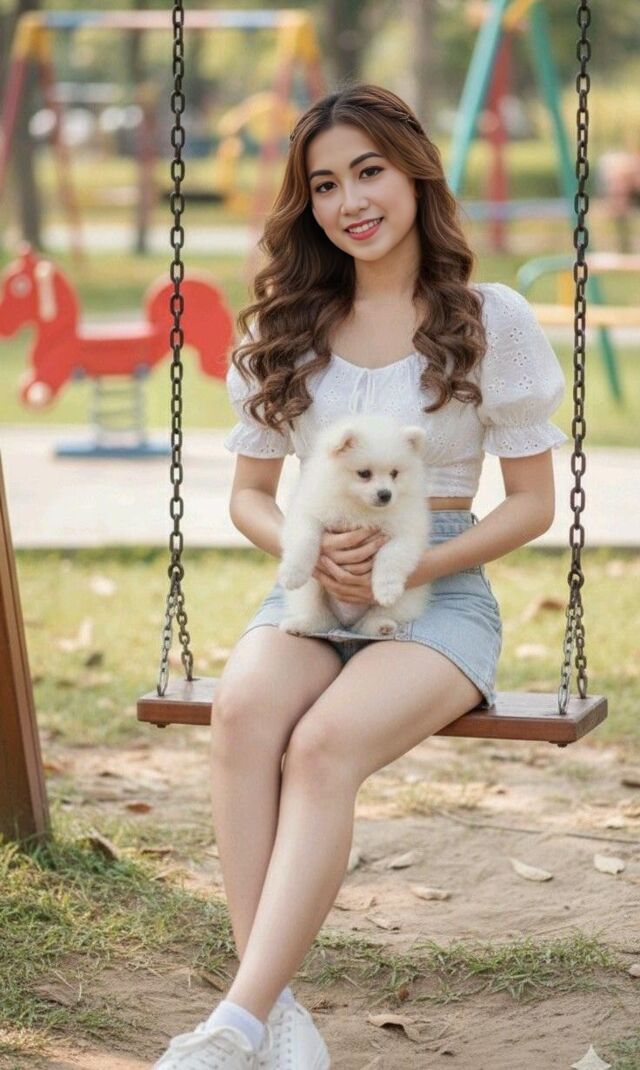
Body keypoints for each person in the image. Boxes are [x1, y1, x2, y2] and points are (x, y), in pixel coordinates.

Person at [153, 83, 566, 1070]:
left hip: (438, 591)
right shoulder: (290, 324)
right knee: (242, 714)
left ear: (414, 172)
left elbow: (531, 505)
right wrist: (307, 548)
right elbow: (251, 496)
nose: (350, 201)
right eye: (326, 185)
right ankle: (270, 1012)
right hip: (309, 581)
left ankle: (233, 1024)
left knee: (323, 745)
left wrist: (410, 559)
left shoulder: (490, 318)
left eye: (368, 172)